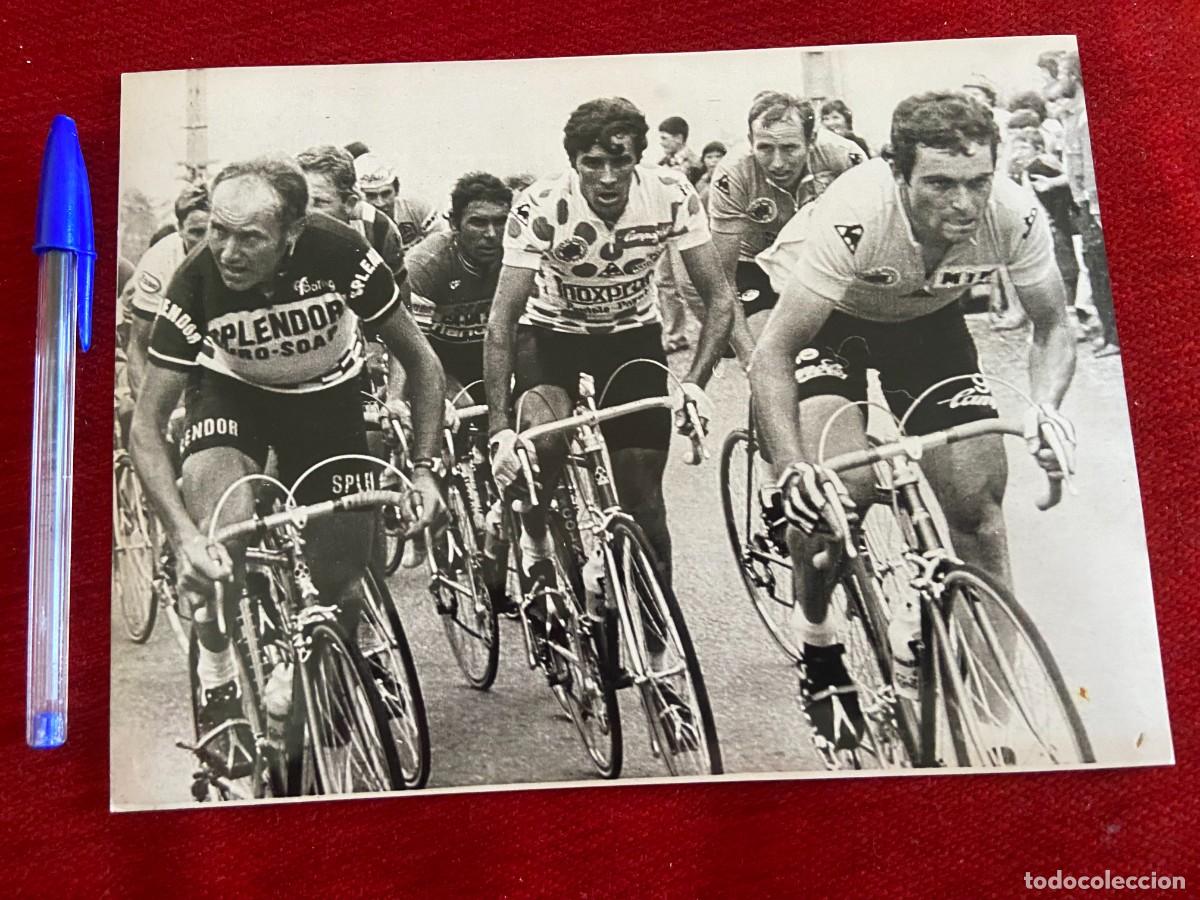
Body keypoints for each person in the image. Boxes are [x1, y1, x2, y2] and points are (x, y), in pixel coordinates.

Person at [751, 92, 1076, 758]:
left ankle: (994, 719)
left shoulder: (1013, 214)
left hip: (925, 323)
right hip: (824, 320)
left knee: (979, 510)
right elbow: (773, 356)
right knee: (833, 500)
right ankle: (818, 643)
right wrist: (790, 470)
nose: (962, 203)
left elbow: (1053, 327)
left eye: (976, 182)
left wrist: (1046, 408)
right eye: (939, 184)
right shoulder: (855, 212)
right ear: (900, 175)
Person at [130, 155, 446, 741]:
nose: (228, 252)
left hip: (327, 400)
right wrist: (183, 535)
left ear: (292, 232)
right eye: (219, 232)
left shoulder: (341, 251)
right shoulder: (197, 280)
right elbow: (146, 428)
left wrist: (424, 471)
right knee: (225, 540)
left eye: (250, 237)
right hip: (233, 394)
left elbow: (423, 364)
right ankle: (218, 666)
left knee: (342, 584)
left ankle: (310, 681)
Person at [484, 97, 734, 662]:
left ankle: (660, 659)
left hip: (631, 340)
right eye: (593, 162)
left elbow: (718, 298)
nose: (607, 177)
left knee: (645, 505)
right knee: (544, 440)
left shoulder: (670, 193)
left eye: (621, 162)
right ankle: (536, 536)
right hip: (550, 340)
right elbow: (501, 324)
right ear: (573, 161)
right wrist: (500, 428)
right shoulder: (541, 205)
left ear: (638, 159)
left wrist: (694, 382)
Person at [708, 91, 866, 366]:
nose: (778, 163)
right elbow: (722, 278)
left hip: (820, 261)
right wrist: (751, 359)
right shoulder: (731, 173)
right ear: (750, 142)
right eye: (765, 148)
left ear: (811, 139)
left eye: (790, 148)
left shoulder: (846, 158)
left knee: (831, 361)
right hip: (754, 262)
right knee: (769, 357)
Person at [408, 172, 511, 401]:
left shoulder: (518, 256)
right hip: (440, 360)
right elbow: (413, 352)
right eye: (478, 222)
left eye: (501, 221)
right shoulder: (426, 264)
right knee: (462, 408)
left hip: (493, 357)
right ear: (454, 223)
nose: (492, 234)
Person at [1046, 53, 1117, 356]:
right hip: (1083, 204)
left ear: (1075, 77)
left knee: (1101, 270)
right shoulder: (1073, 115)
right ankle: (1109, 332)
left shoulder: (1088, 117)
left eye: (1062, 74)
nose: (1057, 80)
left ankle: (1115, 336)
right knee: (1095, 267)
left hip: (1092, 205)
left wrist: (1095, 209)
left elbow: (1091, 168)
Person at [124, 183, 212, 400]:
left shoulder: (231, 254)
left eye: (214, 231)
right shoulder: (158, 261)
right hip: (163, 336)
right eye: (197, 232)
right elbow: (138, 349)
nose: (206, 243)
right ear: (180, 229)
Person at [297, 144, 405, 277]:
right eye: (301, 200)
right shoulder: (282, 226)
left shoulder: (378, 228)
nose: (306, 212)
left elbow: (400, 291)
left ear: (349, 203)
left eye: (320, 203)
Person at [656, 115, 706, 354]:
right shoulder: (662, 163)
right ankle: (675, 336)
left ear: (679, 138)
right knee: (664, 281)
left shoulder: (695, 164)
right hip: (666, 229)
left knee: (688, 284)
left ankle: (719, 329)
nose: (662, 143)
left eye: (665, 138)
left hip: (686, 229)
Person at [355, 152, 439, 249]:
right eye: (371, 196)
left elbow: (440, 242)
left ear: (396, 190)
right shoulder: (355, 222)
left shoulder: (417, 206)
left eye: (386, 194)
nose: (380, 203)